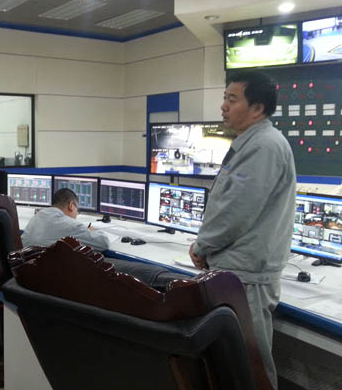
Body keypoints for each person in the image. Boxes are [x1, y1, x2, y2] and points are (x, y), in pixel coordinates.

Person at [189, 71, 296, 389]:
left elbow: (236, 211)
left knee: (250, 366)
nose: (223, 106)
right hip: (236, 270)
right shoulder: (250, 143)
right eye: (225, 98)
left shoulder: (264, 146)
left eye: (232, 99)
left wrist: (202, 246)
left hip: (246, 275)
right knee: (232, 364)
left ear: (257, 108)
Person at [22, 188, 187, 289]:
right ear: (71, 205)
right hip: (65, 280)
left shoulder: (37, 218)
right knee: (145, 270)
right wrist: (92, 231)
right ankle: (189, 285)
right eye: (77, 209)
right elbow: (102, 243)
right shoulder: (70, 225)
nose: (76, 214)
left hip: (37, 279)